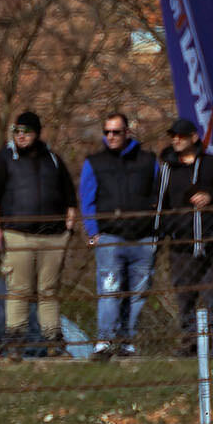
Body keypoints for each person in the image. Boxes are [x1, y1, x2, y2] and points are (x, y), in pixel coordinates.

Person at [0, 110, 77, 357]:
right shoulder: (4, 159)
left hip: (53, 237)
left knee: (48, 291)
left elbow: (70, 196)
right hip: (18, 234)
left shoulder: (53, 159)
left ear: (37, 133)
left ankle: (54, 342)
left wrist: (68, 229)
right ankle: (15, 341)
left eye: (26, 131)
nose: (21, 136)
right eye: (17, 131)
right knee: (18, 290)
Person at [156, 116, 213, 357]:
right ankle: (190, 342)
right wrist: (167, 229)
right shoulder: (167, 169)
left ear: (194, 138)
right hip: (181, 243)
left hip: (211, 240)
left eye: (181, 136)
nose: (176, 140)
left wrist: (210, 197)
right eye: (173, 136)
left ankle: (212, 342)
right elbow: (159, 204)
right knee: (185, 294)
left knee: (212, 293)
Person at [78, 112, 160, 359]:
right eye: (107, 132)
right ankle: (105, 340)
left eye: (116, 132)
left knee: (138, 293)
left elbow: (159, 195)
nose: (111, 137)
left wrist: (156, 230)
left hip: (144, 237)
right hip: (110, 236)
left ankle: (127, 341)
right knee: (109, 290)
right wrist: (93, 232)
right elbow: (87, 199)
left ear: (127, 132)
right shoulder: (95, 162)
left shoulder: (148, 161)